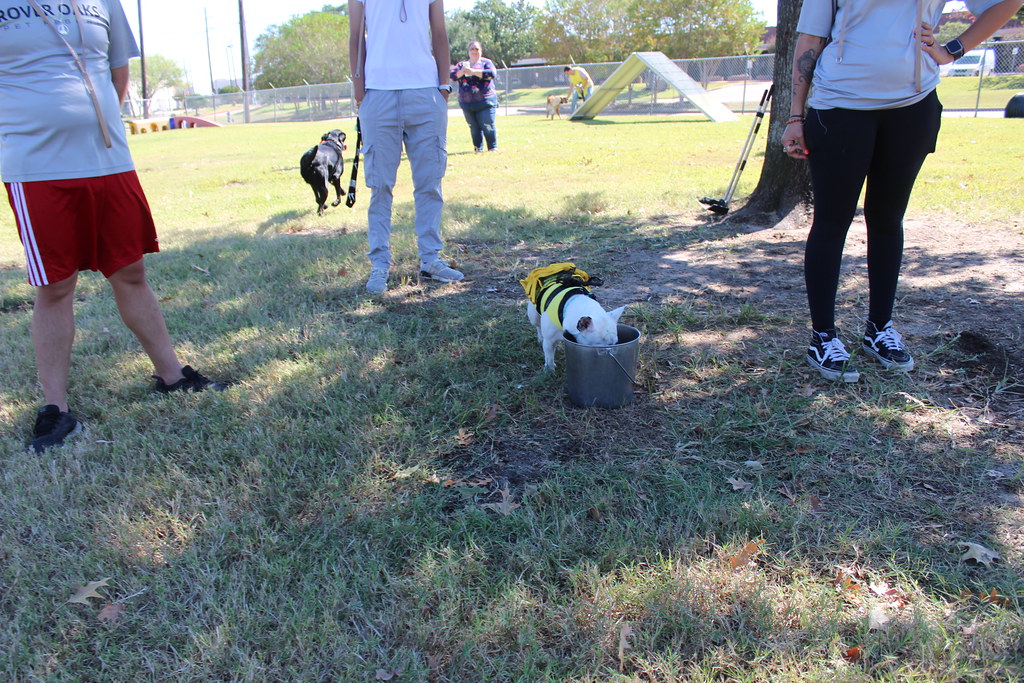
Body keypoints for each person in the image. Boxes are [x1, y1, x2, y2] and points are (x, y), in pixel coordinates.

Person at [0, 0, 226, 453]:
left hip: (109, 160)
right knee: (56, 285)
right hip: (36, 165)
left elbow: (116, 72)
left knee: (130, 271)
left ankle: (172, 376)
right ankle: (55, 410)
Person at [781, 0, 1022, 382]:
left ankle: (880, 329)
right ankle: (822, 337)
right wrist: (795, 115)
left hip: (913, 106)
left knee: (887, 218)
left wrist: (952, 49)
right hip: (839, 108)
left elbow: (1007, 3)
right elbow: (811, 38)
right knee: (831, 222)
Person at [348, 0, 465, 294]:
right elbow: (355, 35)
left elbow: (439, 33)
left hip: (425, 94)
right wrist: (360, 88)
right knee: (380, 186)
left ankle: (431, 259)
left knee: (429, 183)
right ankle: (379, 265)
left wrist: (443, 85)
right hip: (378, 95)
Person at [451, 41, 498, 152]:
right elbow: (452, 75)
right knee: (474, 128)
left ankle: (492, 148)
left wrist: (473, 72)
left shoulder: (486, 63)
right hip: (467, 103)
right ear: (468, 51)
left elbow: (491, 74)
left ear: (480, 51)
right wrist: (462, 72)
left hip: (486, 101)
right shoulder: (462, 65)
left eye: (476, 49)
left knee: (487, 124)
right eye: (472, 49)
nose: (474, 51)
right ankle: (478, 148)